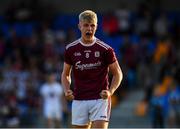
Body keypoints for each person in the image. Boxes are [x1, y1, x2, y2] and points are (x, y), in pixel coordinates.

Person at [61, 10, 123, 129]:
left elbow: (118, 73)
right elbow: (65, 74)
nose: (89, 29)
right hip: (79, 99)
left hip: (100, 99)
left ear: (96, 27)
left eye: (92, 25)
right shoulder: (70, 49)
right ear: (79, 26)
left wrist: (110, 92)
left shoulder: (106, 49)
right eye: (86, 25)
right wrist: (66, 90)